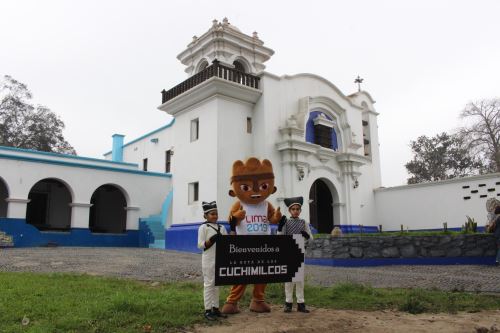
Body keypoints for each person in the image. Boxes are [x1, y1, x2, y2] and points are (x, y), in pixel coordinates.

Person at [278, 196, 313, 313]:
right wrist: (279, 228)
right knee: (289, 279)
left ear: (300, 211)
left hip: (300, 251)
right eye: (293, 209)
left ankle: (300, 303)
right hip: (289, 251)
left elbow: (310, 238)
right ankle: (288, 303)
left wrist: (307, 237)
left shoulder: (304, 223)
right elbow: (280, 238)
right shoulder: (286, 222)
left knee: (300, 279)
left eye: (298, 209)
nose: (296, 211)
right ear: (289, 211)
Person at [197, 201, 228, 320]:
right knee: (209, 284)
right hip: (208, 259)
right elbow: (200, 245)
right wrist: (211, 240)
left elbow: (226, 244)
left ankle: (216, 308)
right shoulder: (203, 227)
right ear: (205, 216)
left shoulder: (222, 227)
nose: (215, 216)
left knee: (217, 284)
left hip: (219, 259)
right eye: (212, 214)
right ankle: (207, 310)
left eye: (216, 214)